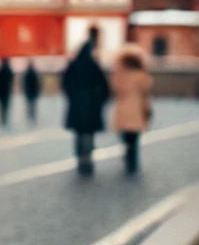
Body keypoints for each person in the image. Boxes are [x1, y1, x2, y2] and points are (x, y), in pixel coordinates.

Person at [61, 28, 111, 176]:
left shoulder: (73, 66)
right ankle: (87, 159)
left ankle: (81, 158)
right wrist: (99, 101)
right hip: (91, 108)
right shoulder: (94, 67)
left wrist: (73, 98)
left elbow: (66, 85)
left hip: (77, 107)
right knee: (88, 134)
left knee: (79, 134)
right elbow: (105, 88)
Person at [110, 43, 153, 174]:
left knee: (126, 137)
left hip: (123, 110)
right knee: (134, 138)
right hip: (137, 110)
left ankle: (128, 156)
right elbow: (146, 90)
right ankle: (133, 162)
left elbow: (115, 89)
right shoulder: (141, 75)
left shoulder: (120, 75)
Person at [0, 57, 15, 126]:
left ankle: (2, 119)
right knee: (6, 106)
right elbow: (11, 79)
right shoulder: (9, 70)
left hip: (0, 91)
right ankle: (4, 119)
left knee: (1, 106)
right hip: (7, 91)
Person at [22, 59, 42, 124]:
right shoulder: (34, 73)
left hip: (30, 92)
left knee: (30, 105)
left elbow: (25, 84)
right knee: (32, 105)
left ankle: (30, 117)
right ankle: (32, 117)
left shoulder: (27, 73)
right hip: (32, 92)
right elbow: (37, 84)